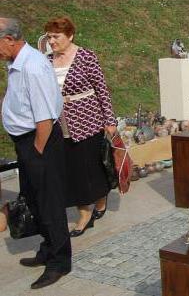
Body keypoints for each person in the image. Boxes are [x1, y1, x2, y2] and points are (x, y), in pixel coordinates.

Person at [0, 17, 71, 290]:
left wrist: (37, 154)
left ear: (9, 39)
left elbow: (44, 119)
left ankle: (60, 261)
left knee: (50, 203)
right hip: (27, 143)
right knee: (36, 200)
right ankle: (48, 249)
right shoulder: (16, 64)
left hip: (39, 143)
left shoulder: (33, 67)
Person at [44, 17, 116, 236]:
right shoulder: (46, 60)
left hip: (87, 120)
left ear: (70, 36)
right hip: (58, 123)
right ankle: (84, 211)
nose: (52, 41)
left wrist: (110, 120)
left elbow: (101, 89)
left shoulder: (85, 56)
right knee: (72, 169)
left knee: (91, 166)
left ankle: (99, 200)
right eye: (49, 37)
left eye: (56, 36)